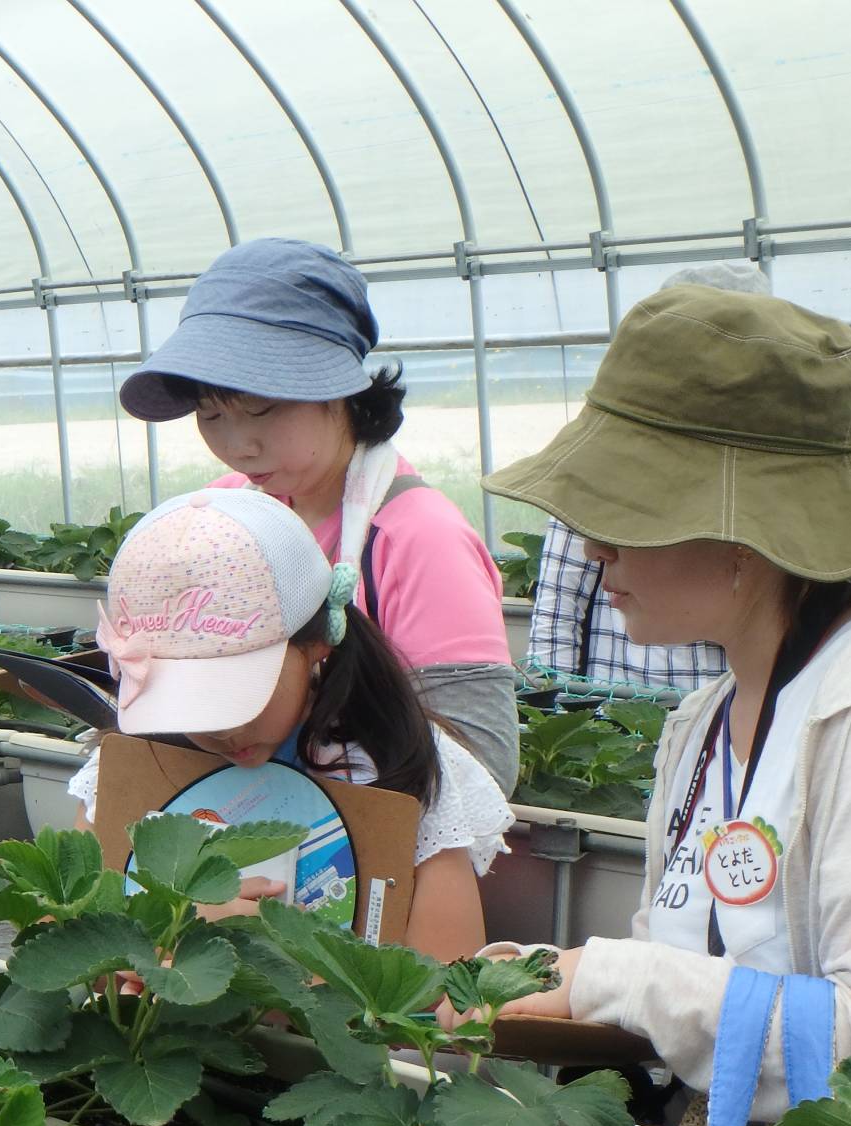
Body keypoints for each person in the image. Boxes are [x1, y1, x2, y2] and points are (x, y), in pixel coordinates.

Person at [469, 284, 851, 1126]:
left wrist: (621, 981)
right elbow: (688, 980)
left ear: (746, 538)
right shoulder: (707, 721)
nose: (593, 551)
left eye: (626, 517)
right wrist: (544, 985)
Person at [118, 238, 519, 796]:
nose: (238, 446)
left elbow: (483, 761)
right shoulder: (228, 512)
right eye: (209, 415)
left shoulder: (420, 539)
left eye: (261, 410)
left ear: (341, 390)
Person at [70, 487, 513, 961]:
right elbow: (72, 934)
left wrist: (282, 957)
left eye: (239, 696)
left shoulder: (399, 759)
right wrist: (170, 927)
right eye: (189, 703)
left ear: (319, 641)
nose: (222, 729)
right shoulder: (132, 764)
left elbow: (443, 981)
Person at [524, 263, 768, 693]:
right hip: (618, 705)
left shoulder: (773, 463)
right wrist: (554, 701)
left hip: (730, 697)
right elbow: (560, 601)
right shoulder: (609, 449)